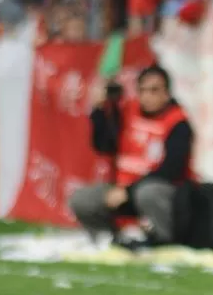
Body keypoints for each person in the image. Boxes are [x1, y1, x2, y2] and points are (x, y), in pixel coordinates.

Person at [69, 64, 195, 249]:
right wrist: (98, 110)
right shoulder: (128, 111)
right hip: (123, 189)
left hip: (160, 192)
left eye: (154, 90)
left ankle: (164, 240)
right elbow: (104, 146)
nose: (147, 96)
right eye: (142, 90)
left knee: (148, 193)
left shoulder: (178, 123)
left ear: (166, 94)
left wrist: (129, 191)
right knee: (80, 199)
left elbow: (171, 169)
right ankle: (107, 239)